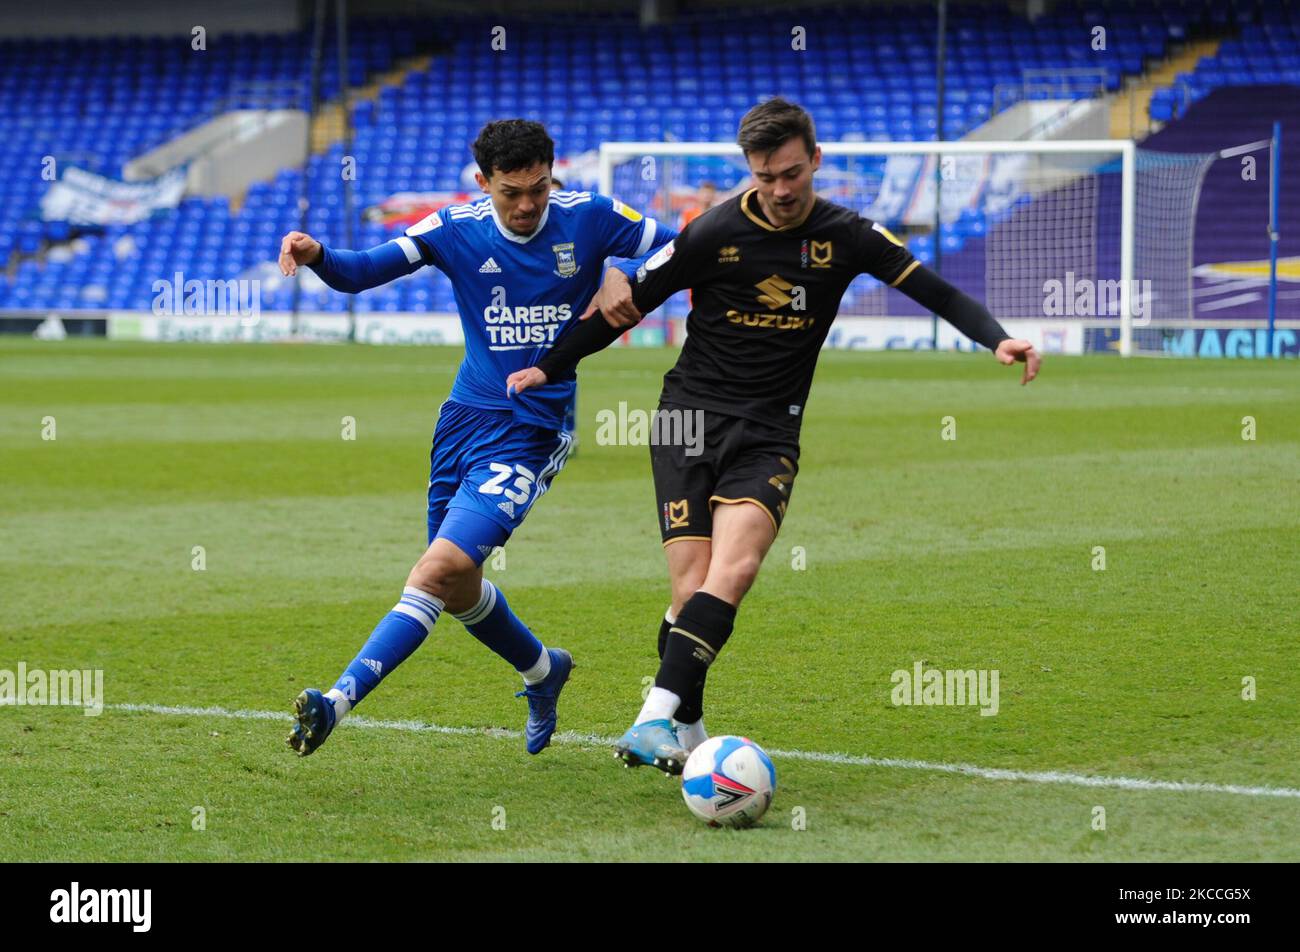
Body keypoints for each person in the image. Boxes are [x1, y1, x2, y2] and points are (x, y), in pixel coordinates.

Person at [506, 98, 1040, 772]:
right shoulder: (711, 233)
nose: (782, 190)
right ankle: (692, 735)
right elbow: (627, 306)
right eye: (767, 177)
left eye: (792, 173)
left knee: (736, 571)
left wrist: (998, 339)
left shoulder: (849, 235)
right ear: (749, 171)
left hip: (769, 431)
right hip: (685, 419)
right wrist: (548, 365)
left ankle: (650, 720)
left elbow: (935, 291)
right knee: (689, 591)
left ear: (815, 160)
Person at [277, 119, 674, 756]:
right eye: (510, 192)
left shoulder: (593, 218)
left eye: (538, 188)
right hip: (461, 421)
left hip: (533, 428)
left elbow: (685, 246)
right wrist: (317, 254)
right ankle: (545, 670)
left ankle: (334, 702)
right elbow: (359, 273)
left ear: (553, 173)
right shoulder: (453, 228)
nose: (525, 205)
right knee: (457, 586)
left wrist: (624, 271)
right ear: (483, 180)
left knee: (436, 570)